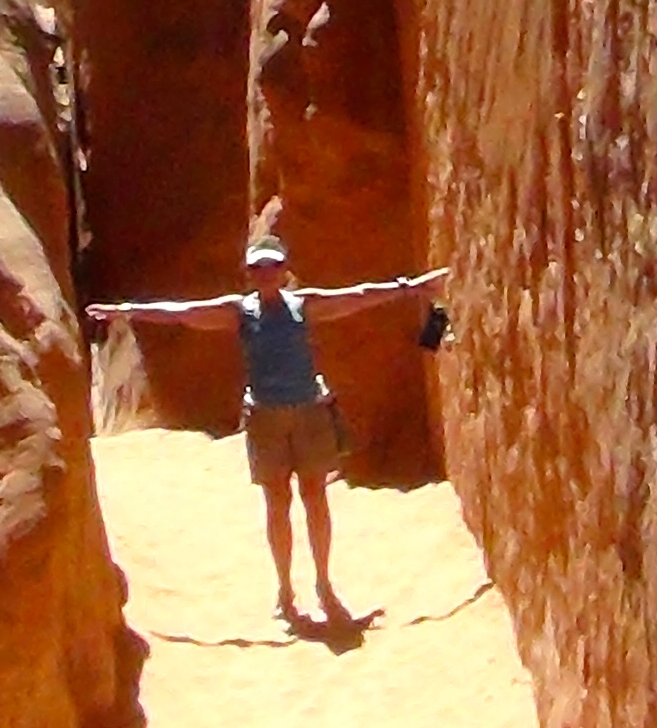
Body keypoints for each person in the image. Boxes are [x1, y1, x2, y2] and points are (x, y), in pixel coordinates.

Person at [88, 230, 447, 627]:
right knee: (277, 503)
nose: (265, 273)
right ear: (249, 273)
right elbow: (183, 313)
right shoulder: (239, 312)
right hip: (266, 419)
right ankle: (285, 589)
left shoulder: (304, 306)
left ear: (283, 269)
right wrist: (127, 311)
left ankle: (324, 583)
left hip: (308, 413)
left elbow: (357, 297)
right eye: (258, 268)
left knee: (315, 498)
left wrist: (410, 288)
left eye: (271, 266)